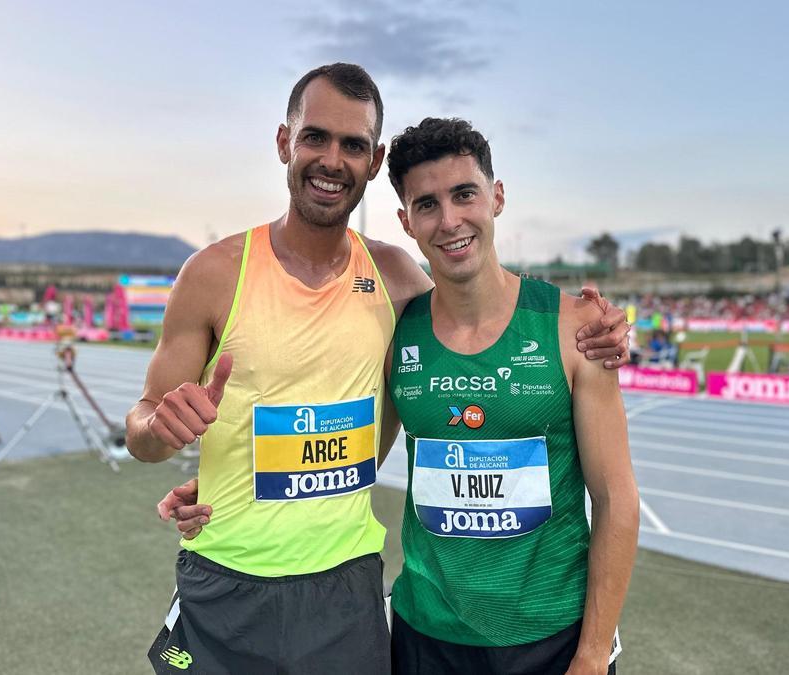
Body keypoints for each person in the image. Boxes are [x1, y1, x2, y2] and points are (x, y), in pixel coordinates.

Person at [131, 63, 631, 675]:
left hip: (383, 598)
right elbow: (149, 429)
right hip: (277, 593)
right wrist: (182, 443)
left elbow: (612, 495)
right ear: (285, 142)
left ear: (374, 159)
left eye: (353, 145)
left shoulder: (414, 285)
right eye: (315, 137)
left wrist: (597, 328)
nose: (331, 160)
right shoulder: (223, 274)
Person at [383, 118, 639, 674]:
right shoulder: (398, 331)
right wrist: (228, 479)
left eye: (464, 194)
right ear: (407, 221)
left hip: (551, 640)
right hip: (425, 636)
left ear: (496, 197)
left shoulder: (575, 328)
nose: (449, 220)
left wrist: (594, 655)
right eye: (427, 205)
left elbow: (617, 500)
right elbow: (350, 451)